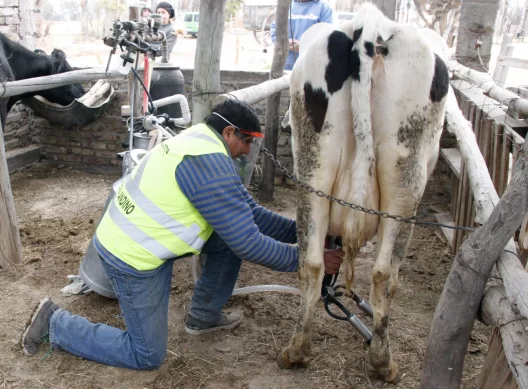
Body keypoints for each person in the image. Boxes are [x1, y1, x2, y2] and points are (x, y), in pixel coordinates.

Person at [20, 99, 344, 370]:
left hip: (138, 239)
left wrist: (307, 233)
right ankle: (54, 323)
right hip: (131, 258)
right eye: (247, 141)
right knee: (146, 355)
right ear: (229, 132)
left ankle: (203, 316)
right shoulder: (209, 166)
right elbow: (250, 243)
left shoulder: (200, 142)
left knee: (229, 234)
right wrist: (311, 259)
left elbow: (252, 216)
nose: (248, 150)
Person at [270, 0, 334, 71]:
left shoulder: (324, 8)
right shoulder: (286, 7)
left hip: (312, 67)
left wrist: (303, 46)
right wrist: (284, 42)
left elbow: (327, 36)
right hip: (286, 65)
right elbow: (275, 29)